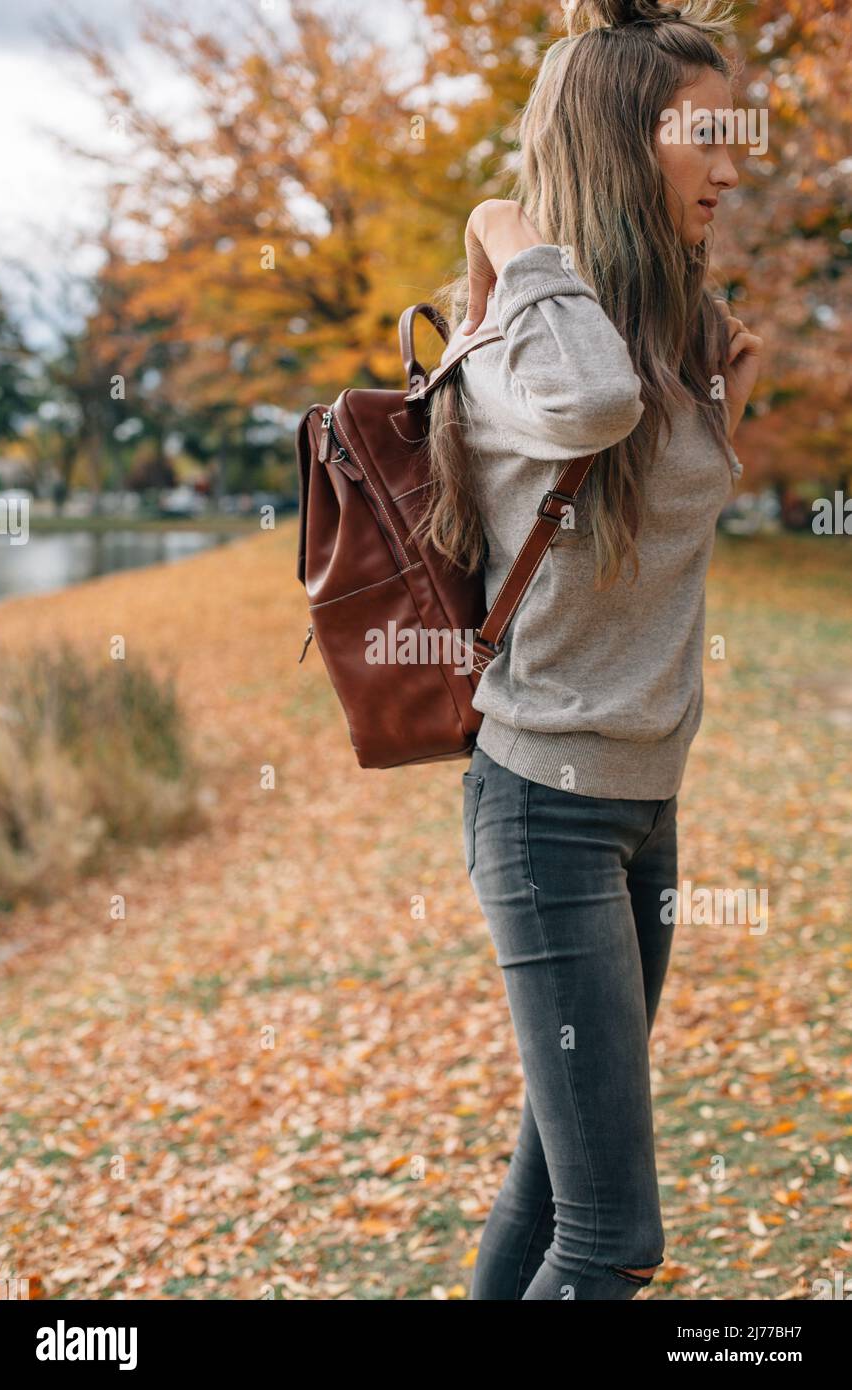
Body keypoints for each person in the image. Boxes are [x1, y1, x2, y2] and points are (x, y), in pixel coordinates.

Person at [414, 0, 763, 1299]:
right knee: (612, 1238)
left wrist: (716, 384)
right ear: (616, 144)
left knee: (557, 1188)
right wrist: (504, 231)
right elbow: (589, 401)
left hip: (639, 812)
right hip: (546, 817)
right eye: (700, 134)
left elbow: (648, 476)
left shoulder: (662, 327)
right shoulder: (521, 338)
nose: (730, 166)